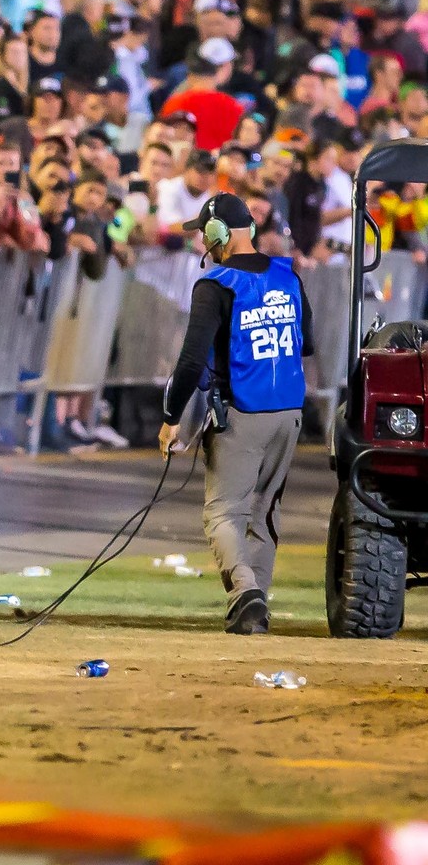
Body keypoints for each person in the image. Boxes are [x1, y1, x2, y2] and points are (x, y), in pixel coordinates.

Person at [159, 193, 310, 636]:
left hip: (242, 412)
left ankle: (244, 592)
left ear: (215, 233)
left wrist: (172, 418)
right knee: (265, 511)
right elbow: (308, 342)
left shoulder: (215, 284)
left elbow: (190, 362)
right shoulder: (288, 275)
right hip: (289, 410)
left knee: (223, 512)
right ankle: (256, 609)